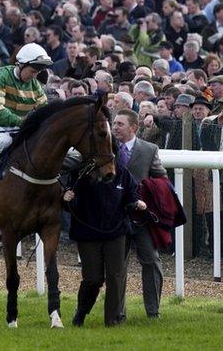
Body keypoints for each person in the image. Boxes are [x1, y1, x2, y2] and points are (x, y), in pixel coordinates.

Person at [63, 154, 146, 327]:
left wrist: (135, 202)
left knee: (115, 276)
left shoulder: (122, 172)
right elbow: (69, 201)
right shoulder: (81, 173)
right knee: (93, 279)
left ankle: (113, 321)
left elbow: (131, 193)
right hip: (87, 232)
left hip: (116, 232)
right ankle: (82, 311)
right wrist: (67, 198)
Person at [0, 43, 51, 187]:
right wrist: (24, 123)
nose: (34, 76)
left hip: (16, 127)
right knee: (3, 140)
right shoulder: (0, 76)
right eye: (32, 71)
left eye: (37, 72)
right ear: (21, 65)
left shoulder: (35, 85)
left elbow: (45, 111)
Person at [111, 108, 167, 319]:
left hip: (141, 218)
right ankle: (118, 313)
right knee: (117, 266)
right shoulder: (106, 147)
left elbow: (161, 179)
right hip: (115, 218)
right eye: (114, 123)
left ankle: (153, 312)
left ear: (133, 128)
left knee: (151, 261)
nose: (115, 127)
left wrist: (150, 200)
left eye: (119, 124)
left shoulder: (149, 149)